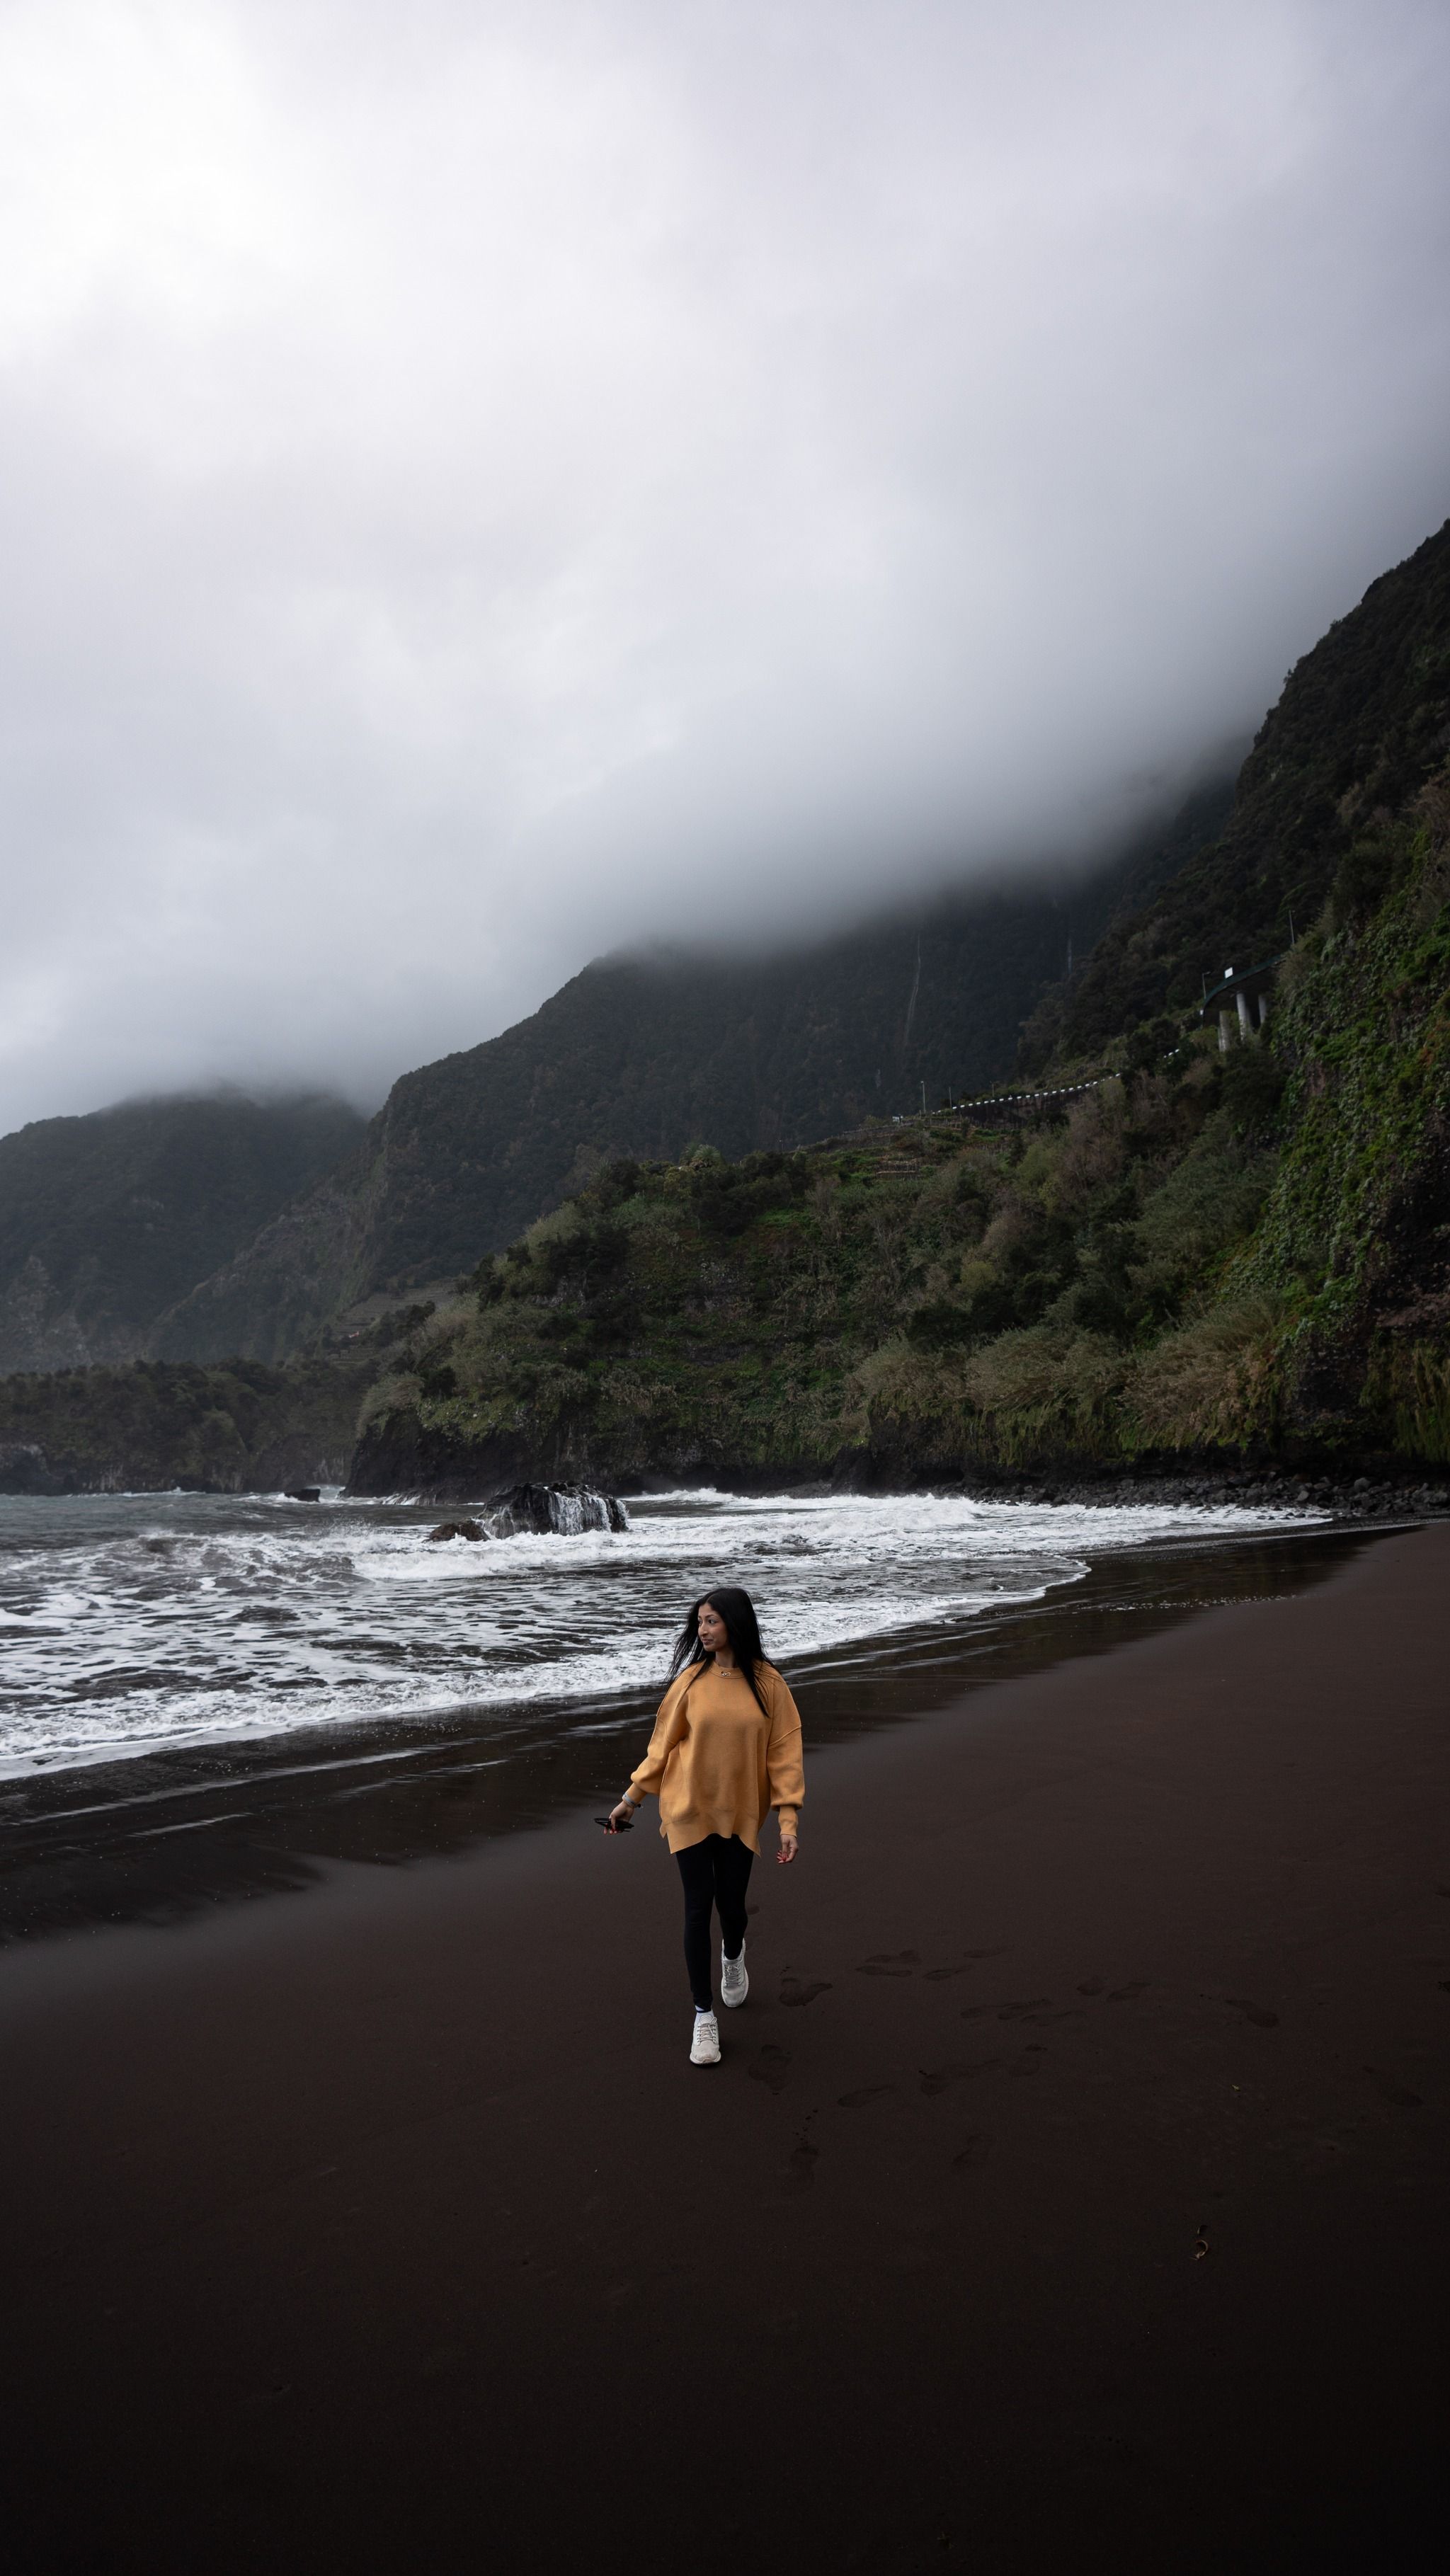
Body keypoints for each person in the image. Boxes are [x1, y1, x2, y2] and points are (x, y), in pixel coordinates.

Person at [605, 1586, 804, 2066]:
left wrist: (788, 1818)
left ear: (734, 1622)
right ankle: (703, 2017)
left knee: (731, 1906)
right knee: (698, 1907)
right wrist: (632, 1798)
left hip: (740, 1813)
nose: (703, 1630)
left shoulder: (769, 1683)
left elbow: (784, 1754)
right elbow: (661, 1747)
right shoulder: (690, 1682)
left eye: (711, 1620)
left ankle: (732, 1956)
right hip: (688, 1809)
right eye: (699, 1622)